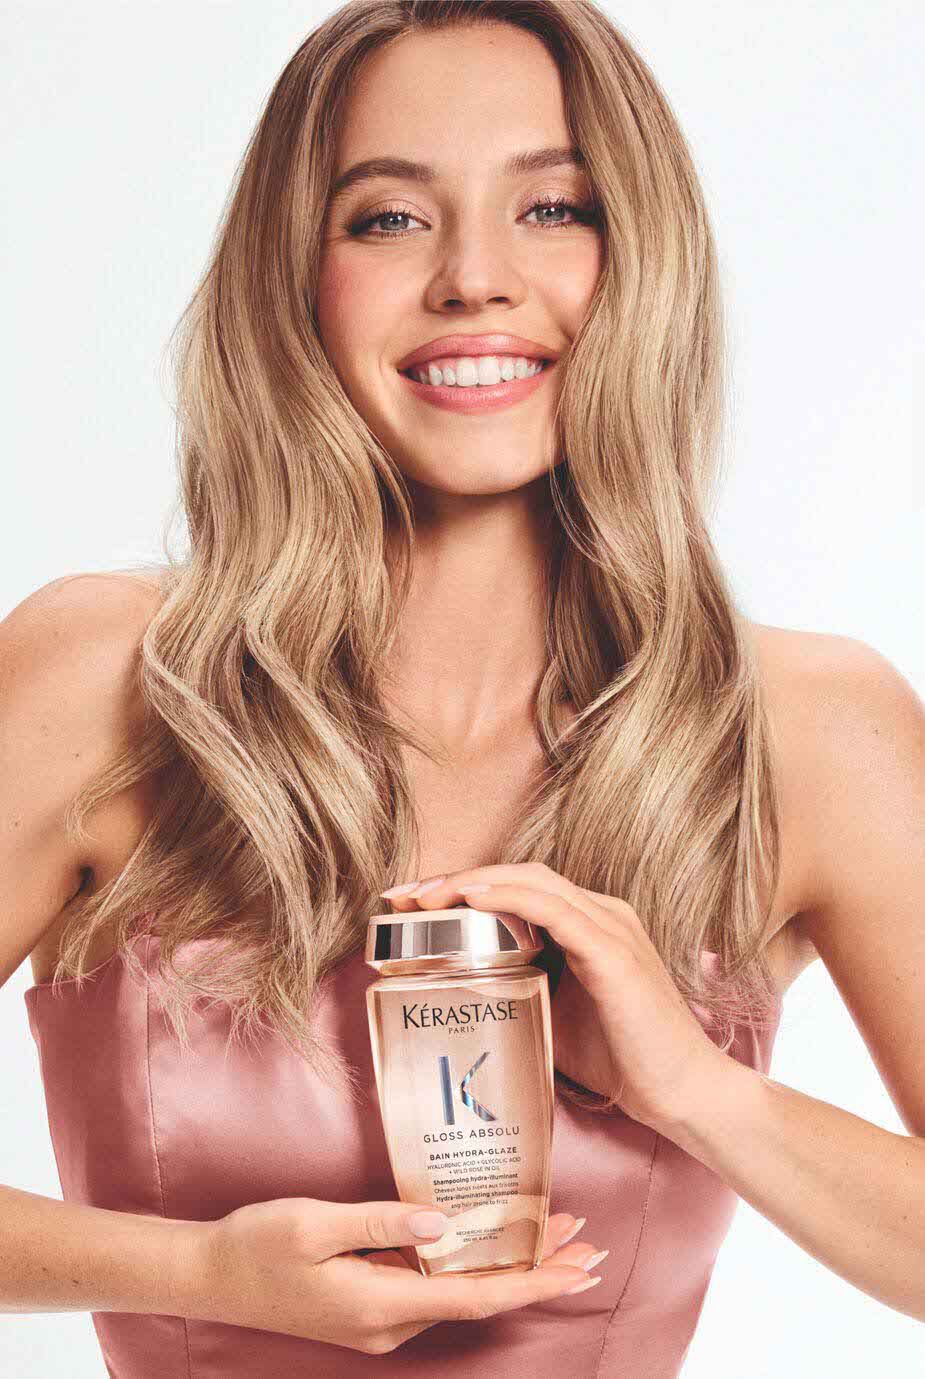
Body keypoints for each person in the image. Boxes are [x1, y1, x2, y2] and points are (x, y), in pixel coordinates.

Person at [2, 1, 923, 1375]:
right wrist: (193, 1272)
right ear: (291, 276)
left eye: (553, 208)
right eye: (387, 219)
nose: (473, 279)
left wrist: (694, 1090)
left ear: (640, 256)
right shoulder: (112, 682)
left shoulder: (806, 730)